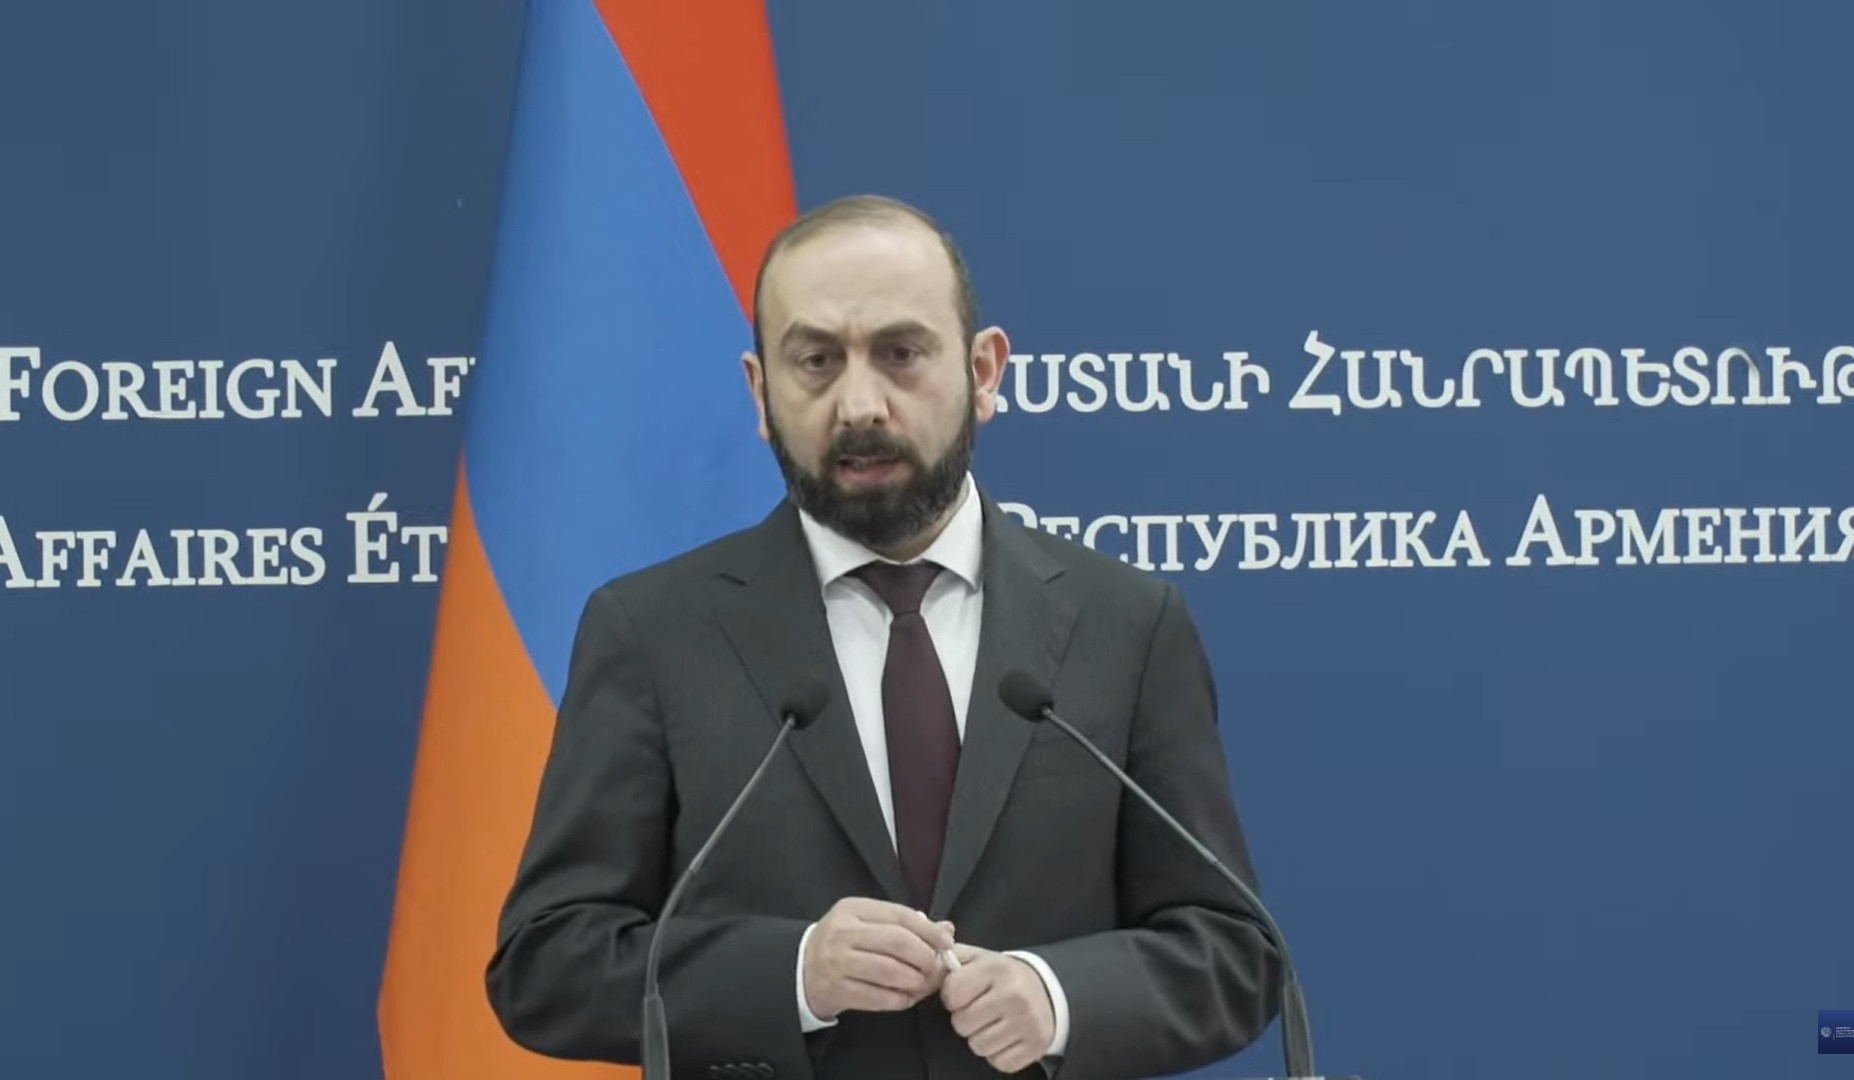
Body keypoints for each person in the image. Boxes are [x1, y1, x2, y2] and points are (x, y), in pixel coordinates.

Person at [485, 195, 1282, 1079]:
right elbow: (546, 965)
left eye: (901, 354)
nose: (860, 404)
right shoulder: (652, 632)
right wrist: (793, 973)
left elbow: (1232, 953)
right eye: (816, 361)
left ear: (984, 371)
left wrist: (1058, 996)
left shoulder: (1126, 624)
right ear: (760, 392)